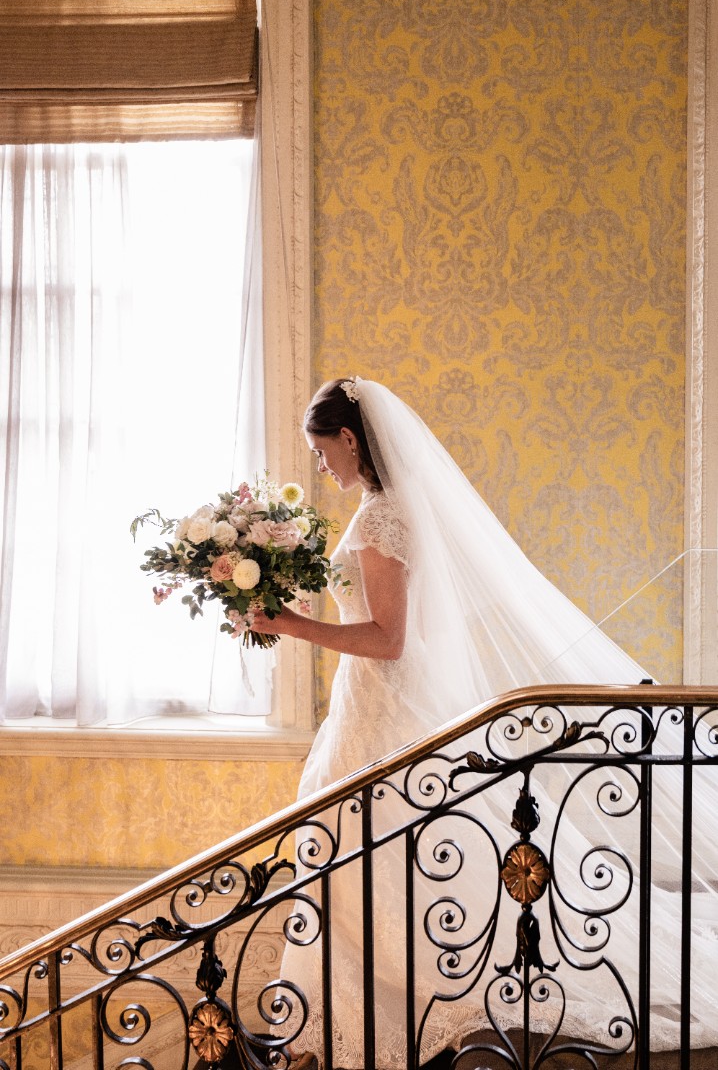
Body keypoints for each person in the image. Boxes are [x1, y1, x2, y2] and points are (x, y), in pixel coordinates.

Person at [251, 377, 718, 1067]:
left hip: (383, 702)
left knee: (375, 847)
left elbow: (388, 639)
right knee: (373, 849)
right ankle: (367, 1015)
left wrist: (289, 625)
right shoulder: (393, 510)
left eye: (322, 452)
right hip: (378, 702)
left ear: (350, 440)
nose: (321, 468)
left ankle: (400, 1010)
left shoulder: (382, 519)